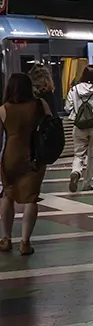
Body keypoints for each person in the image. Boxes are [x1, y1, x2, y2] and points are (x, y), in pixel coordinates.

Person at [1, 72, 46, 254]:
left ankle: (6, 239)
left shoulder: (3, 109)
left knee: (7, 196)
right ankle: (25, 242)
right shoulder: (40, 105)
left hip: (10, 156)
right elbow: (51, 126)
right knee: (31, 198)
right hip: (35, 155)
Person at [65, 65, 93, 193]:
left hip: (78, 125)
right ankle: (86, 183)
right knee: (92, 156)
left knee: (79, 154)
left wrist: (77, 111)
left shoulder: (74, 89)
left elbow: (67, 107)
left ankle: (76, 171)